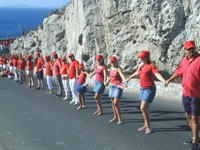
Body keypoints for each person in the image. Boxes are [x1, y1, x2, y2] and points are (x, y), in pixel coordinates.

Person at [165, 41, 200, 150]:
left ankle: (195, 141)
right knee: (188, 116)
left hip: (197, 95)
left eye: (193, 48)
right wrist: (169, 79)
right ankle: (195, 136)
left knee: (194, 118)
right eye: (189, 49)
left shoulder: (199, 59)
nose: (191, 51)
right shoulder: (184, 61)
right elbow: (179, 72)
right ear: (185, 50)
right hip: (186, 93)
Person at [127, 51, 165, 134]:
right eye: (141, 58)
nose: (141, 59)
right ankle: (146, 125)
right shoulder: (142, 66)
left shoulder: (152, 66)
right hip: (143, 89)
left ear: (147, 57)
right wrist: (129, 77)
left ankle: (149, 127)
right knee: (146, 109)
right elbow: (137, 73)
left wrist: (163, 80)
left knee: (143, 108)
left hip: (149, 89)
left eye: (143, 57)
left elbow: (157, 74)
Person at [105, 56, 127, 125]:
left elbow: (121, 74)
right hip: (111, 87)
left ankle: (120, 119)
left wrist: (125, 80)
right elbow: (110, 77)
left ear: (116, 61)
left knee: (115, 103)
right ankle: (115, 117)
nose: (112, 63)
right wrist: (107, 82)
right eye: (111, 62)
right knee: (113, 104)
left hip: (118, 87)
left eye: (113, 62)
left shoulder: (118, 69)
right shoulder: (111, 68)